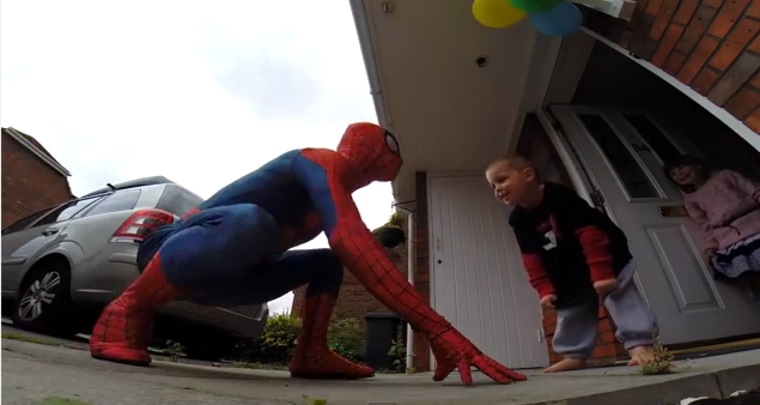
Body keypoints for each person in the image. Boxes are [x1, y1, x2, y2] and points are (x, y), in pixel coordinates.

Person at [88, 122, 526, 386]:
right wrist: (440, 330)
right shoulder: (317, 161)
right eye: (374, 163)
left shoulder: (328, 198)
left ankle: (311, 353)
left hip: (234, 277)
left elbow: (354, 252)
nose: (368, 173)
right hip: (169, 252)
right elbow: (355, 243)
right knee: (252, 221)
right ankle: (129, 306)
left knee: (325, 262)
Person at [485, 154, 658, 373]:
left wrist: (602, 271)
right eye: (492, 186)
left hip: (603, 253)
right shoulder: (518, 219)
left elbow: (590, 233)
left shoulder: (559, 197)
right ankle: (574, 354)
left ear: (527, 174)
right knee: (571, 306)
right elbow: (530, 256)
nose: (497, 189)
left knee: (620, 294)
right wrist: (544, 288)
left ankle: (640, 345)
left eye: (501, 180)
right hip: (567, 264)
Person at [663, 154, 760, 280]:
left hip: (754, 222)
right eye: (673, 174)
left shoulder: (725, 176)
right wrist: (709, 246)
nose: (679, 174)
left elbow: (753, 189)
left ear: (698, 165)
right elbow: (703, 225)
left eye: (681, 167)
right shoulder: (690, 199)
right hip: (730, 236)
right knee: (752, 275)